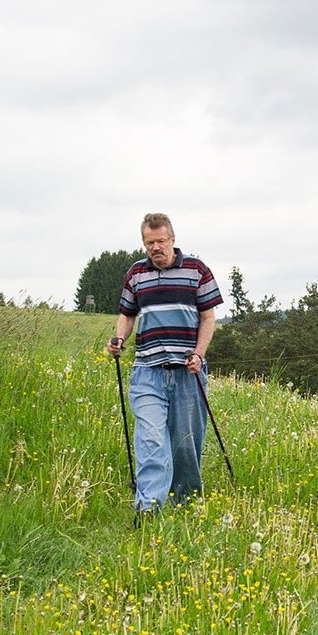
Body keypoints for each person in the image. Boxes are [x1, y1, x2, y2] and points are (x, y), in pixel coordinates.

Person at [106, 213, 222, 512]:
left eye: (160, 241)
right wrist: (119, 339)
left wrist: (199, 353)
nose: (155, 247)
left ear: (172, 239)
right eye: (149, 243)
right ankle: (149, 507)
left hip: (188, 371)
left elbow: (208, 317)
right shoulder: (136, 274)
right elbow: (127, 314)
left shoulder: (197, 270)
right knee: (151, 441)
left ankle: (186, 503)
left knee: (185, 444)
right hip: (147, 371)